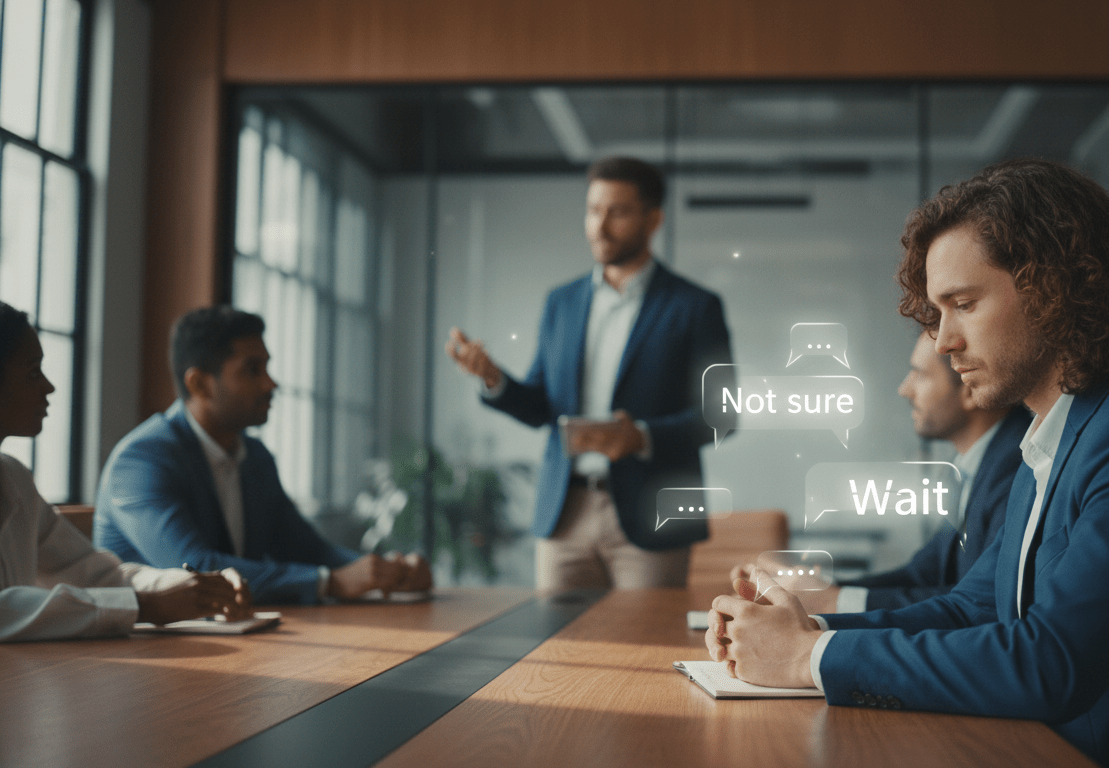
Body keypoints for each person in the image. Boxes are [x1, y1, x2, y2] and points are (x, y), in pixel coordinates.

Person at [705, 158, 1109, 767]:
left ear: (1057, 290)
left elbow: (1052, 663)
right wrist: (803, 632)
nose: (942, 340)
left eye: (963, 303)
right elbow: (973, 608)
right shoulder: (1055, 434)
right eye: (937, 313)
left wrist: (806, 660)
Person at [446, 156, 732, 590]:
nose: (600, 227)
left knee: (641, 654)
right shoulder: (561, 302)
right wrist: (493, 379)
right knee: (558, 653)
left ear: (653, 219)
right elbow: (543, 406)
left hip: (652, 517)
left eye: (617, 212)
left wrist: (639, 436)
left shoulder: (695, 307)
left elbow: (722, 417)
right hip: (566, 513)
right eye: (593, 210)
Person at [95, 307, 431, 604]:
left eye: (267, 367)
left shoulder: (254, 456)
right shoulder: (140, 460)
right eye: (252, 370)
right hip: (151, 659)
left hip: (238, 642)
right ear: (199, 384)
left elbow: (309, 550)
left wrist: (388, 573)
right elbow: (195, 568)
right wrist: (330, 583)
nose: (271, 384)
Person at [0, 302, 251, 641]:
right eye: (33, 372)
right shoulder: (146, 456)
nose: (49, 387)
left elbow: (100, 575)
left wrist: (191, 587)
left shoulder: (14, 479)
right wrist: (144, 606)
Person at [731, 332, 1031, 613]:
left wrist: (834, 599)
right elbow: (922, 574)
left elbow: (984, 604)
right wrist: (803, 590)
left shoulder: (1017, 466)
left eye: (921, 374)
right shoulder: (974, 465)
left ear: (968, 386)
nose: (904, 389)